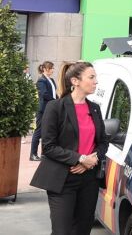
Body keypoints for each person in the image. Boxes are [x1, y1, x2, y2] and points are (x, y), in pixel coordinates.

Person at [30, 62, 109, 235]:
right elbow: (49, 147)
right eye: (91, 77)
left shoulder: (95, 108)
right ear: (75, 81)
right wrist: (80, 158)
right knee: (62, 231)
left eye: (95, 77)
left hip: (89, 179)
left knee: (82, 229)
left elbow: (103, 142)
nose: (96, 81)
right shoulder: (55, 107)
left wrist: (91, 160)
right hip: (62, 179)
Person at [30, 61, 57, 161]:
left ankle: (44, 154)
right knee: (39, 131)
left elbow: (54, 93)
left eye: (53, 68)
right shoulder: (41, 81)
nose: (53, 70)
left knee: (47, 132)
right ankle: (33, 154)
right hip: (43, 110)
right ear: (45, 69)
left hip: (50, 108)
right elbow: (44, 94)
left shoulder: (51, 80)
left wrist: (59, 100)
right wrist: (55, 101)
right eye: (51, 68)